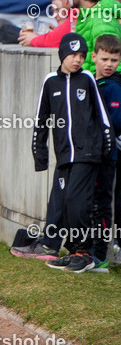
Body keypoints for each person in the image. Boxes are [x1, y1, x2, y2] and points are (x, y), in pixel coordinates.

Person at [30, 33, 113, 273]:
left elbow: (102, 115)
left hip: (88, 154)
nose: (77, 60)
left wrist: (105, 148)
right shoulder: (50, 82)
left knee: (78, 200)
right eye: (72, 55)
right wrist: (40, 155)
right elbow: (41, 120)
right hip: (64, 155)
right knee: (65, 203)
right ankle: (73, 250)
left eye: (81, 56)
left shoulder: (87, 78)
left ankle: (84, 253)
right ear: (62, 55)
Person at [91, 34, 121, 268]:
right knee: (86, 204)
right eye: (105, 59)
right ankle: (84, 250)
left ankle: (100, 256)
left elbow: (114, 123)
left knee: (102, 204)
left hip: (106, 157)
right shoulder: (89, 82)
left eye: (114, 59)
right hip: (87, 156)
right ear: (94, 57)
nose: (109, 64)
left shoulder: (114, 88)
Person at [69, 0, 121, 72]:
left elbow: (111, 59)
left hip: (102, 85)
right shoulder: (88, 17)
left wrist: (100, 84)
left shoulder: (101, 21)